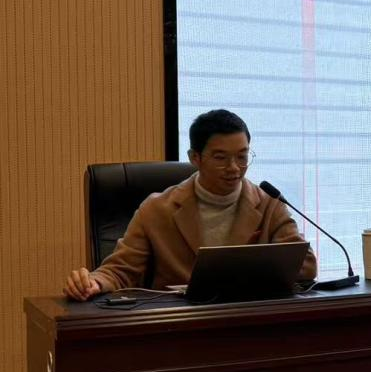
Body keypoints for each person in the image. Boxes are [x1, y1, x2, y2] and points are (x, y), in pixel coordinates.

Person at [63, 109, 317, 300]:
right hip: (179, 327)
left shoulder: (269, 204)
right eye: (221, 158)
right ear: (195, 157)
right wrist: (94, 282)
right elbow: (121, 270)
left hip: (248, 322)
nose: (234, 168)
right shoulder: (157, 209)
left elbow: (305, 266)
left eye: (242, 157)